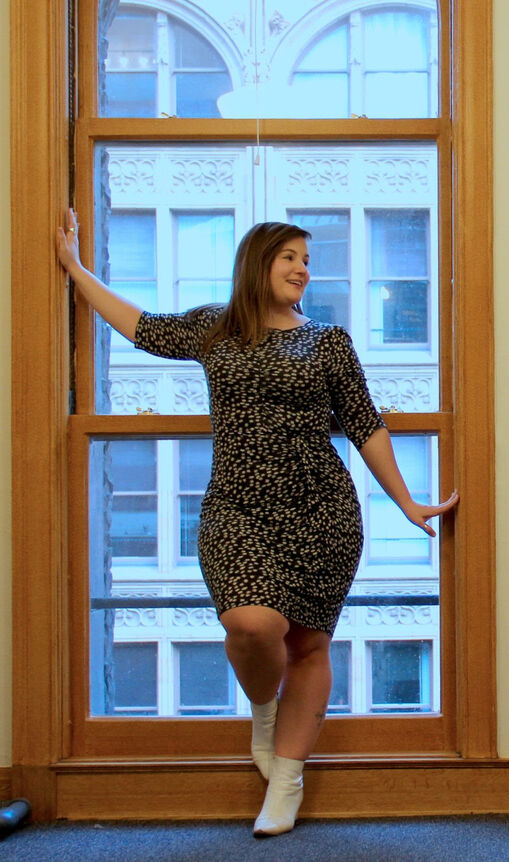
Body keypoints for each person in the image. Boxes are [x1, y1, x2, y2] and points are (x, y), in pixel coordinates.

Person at [56, 211, 459, 837]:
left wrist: (405, 503)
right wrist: (79, 272)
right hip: (236, 509)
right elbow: (140, 327)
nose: (303, 268)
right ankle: (265, 709)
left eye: (306, 260)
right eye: (289, 258)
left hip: (321, 510)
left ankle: (287, 780)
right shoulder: (217, 329)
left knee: (308, 644)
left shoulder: (328, 342)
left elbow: (366, 424)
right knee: (250, 625)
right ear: (257, 264)